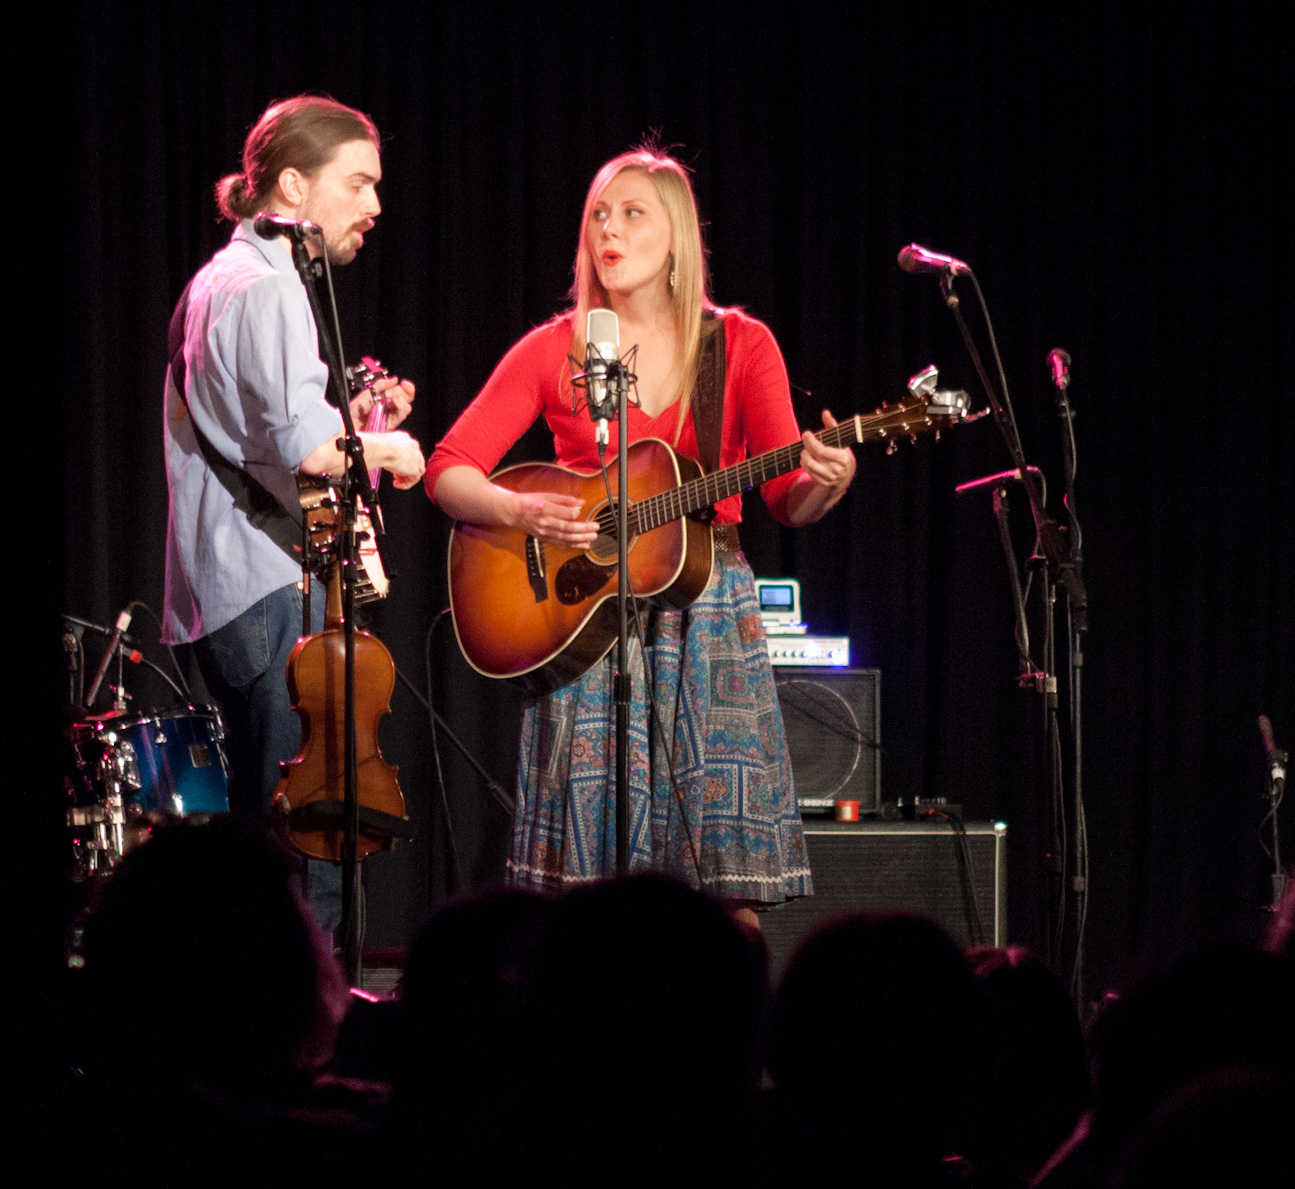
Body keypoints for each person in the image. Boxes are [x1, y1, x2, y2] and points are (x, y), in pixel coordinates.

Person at [425, 149, 855, 924]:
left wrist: (823, 482)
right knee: (580, 907)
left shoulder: (737, 344)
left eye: (631, 214)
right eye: (597, 215)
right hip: (582, 617)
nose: (608, 231)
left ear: (677, 239)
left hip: (709, 616)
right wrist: (516, 512)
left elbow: (785, 500)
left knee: (725, 894)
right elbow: (448, 468)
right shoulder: (552, 348)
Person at [161, 96, 426, 934]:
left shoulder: (218, 281)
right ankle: (302, 1020)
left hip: (222, 591)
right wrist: (394, 449)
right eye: (358, 184)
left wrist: (355, 416)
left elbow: (267, 436)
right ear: (290, 187)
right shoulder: (270, 290)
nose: (375, 206)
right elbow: (310, 453)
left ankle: (253, 1021)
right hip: (269, 588)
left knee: (259, 831)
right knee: (305, 831)